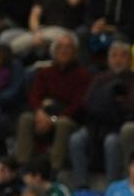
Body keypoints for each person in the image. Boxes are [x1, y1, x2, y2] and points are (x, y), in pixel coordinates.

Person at [15, 32, 91, 173]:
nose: (64, 51)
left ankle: (55, 170)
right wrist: (39, 112)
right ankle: (23, 167)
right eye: (60, 47)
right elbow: (34, 96)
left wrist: (53, 119)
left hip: (68, 118)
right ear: (54, 51)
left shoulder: (83, 75)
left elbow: (78, 105)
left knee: (63, 123)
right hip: (45, 115)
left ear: (75, 52)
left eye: (68, 47)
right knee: (26, 118)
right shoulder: (45, 72)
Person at [68, 39, 134, 188]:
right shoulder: (99, 78)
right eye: (114, 55)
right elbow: (88, 103)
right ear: (108, 59)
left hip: (119, 127)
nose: (118, 60)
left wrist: (108, 104)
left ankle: (112, 186)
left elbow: (129, 108)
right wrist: (113, 101)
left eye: (122, 56)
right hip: (96, 125)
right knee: (76, 139)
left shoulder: (132, 80)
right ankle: (81, 185)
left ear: (129, 59)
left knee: (111, 142)